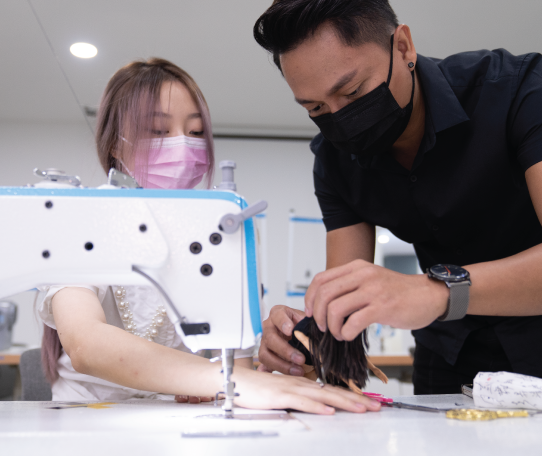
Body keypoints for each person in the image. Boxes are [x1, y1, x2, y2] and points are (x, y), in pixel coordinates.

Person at [252, 0, 542, 394]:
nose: (341, 120)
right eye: (315, 109)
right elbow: (345, 302)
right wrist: (304, 342)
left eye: (353, 92)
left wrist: (437, 292)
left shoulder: (514, 89)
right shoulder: (335, 161)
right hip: (447, 358)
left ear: (404, 47)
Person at [36, 57, 380, 414]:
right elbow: (85, 343)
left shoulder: (224, 225)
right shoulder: (80, 217)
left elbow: (240, 369)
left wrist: (290, 361)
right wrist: (225, 380)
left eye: (197, 132)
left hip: (181, 422)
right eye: (158, 131)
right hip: (88, 420)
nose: (183, 145)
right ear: (114, 143)